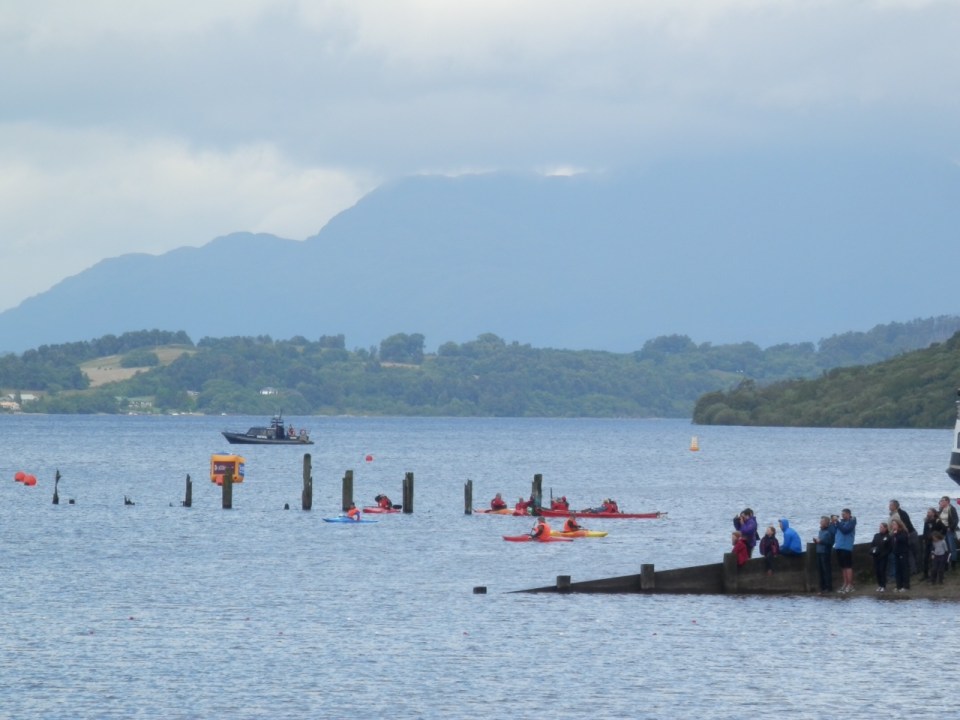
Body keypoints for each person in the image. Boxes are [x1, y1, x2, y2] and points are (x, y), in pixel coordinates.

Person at [889, 499, 918, 574]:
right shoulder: (897, 513)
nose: (889, 506)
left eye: (890, 505)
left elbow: (904, 525)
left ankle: (912, 570)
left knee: (909, 552)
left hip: (909, 534)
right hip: (909, 533)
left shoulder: (899, 514)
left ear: (895, 506)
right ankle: (912, 570)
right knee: (910, 553)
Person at [833, 508, 857, 593]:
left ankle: (850, 585)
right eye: (842, 514)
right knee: (843, 567)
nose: (842, 516)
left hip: (846, 547)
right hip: (839, 546)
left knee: (848, 566)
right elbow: (835, 531)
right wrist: (834, 523)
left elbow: (845, 531)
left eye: (844, 514)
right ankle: (845, 583)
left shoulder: (852, 522)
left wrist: (838, 522)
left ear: (848, 514)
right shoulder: (841, 523)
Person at [921, 508, 945, 581]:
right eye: (927, 512)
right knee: (925, 559)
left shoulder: (937, 521)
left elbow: (944, 529)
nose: (928, 513)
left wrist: (938, 537)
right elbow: (925, 531)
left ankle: (933, 576)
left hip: (934, 543)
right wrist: (924, 539)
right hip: (927, 542)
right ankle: (925, 575)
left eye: (929, 512)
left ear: (933, 513)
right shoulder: (927, 521)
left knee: (933, 559)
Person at [813, 515, 835, 593]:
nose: (820, 523)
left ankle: (828, 587)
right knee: (820, 570)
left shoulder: (829, 531)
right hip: (819, 551)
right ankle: (822, 587)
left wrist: (821, 541)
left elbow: (830, 542)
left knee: (826, 570)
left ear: (826, 523)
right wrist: (817, 541)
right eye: (820, 521)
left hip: (825, 552)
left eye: (822, 521)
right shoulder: (821, 531)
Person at [937, 495, 958, 568]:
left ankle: (953, 563)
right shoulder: (941, 509)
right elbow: (939, 519)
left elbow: (956, 520)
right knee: (944, 547)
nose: (941, 502)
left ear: (947, 501)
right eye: (941, 500)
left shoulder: (951, 508)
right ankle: (945, 563)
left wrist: (951, 527)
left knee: (952, 547)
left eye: (943, 500)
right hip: (943, 530)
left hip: (949, 530)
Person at [870, 522, 892, 592]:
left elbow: (889, 547)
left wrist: (885, 554)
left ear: (886, 528)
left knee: (882, 570)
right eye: (880, 527)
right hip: (876, 556)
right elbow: (872, 544)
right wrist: (872, 551)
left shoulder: (888, 536)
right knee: (877, 571)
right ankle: (879, 585)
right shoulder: (876, 535)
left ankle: (883, 585)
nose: (880, 529)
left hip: (883, 556)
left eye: (882, 527)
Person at [891, 518, 911, 591]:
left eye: (894, 524)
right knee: (898, 570)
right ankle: (899, 585)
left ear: (899, 525)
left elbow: (902, 540)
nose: (893, 526)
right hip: (896, 553)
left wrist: (896, 534)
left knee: (904, 569)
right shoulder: (893, 533)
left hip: (903, 553)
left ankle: (906, 586)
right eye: (892, 524)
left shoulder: (903, 532)